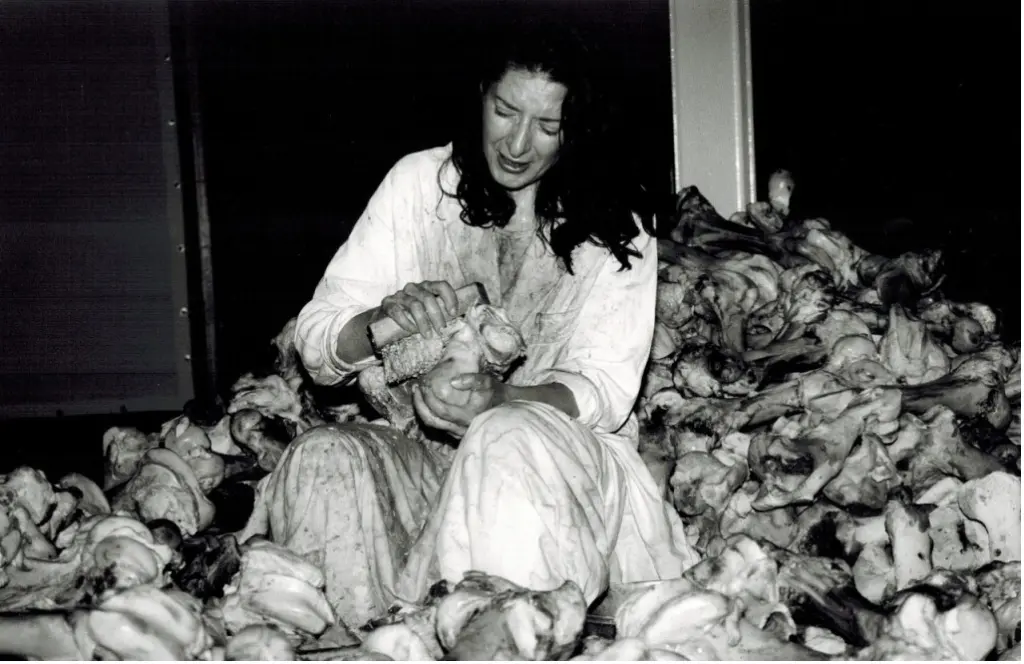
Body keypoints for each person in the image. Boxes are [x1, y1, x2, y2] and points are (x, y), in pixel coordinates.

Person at [238, 25, 700, 629]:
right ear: (481, 95)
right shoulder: (419, 185)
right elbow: (317, 342)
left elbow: (604, 391)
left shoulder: (618, 220)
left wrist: (502, 398)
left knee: (505, 434)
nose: (518, 144)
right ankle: (363, 645)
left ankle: (507, 638)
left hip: (559, 462)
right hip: (420, 452)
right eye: (505, 111)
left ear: (578, 129)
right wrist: (381, 322)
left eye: (548, 126)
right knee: (322, 454)